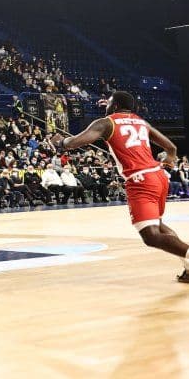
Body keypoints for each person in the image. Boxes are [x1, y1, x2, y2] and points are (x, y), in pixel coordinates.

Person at [50, 91, 189, 282]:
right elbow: (171, 149)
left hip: (140, 180)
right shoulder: (141, 122)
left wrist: (60, 143)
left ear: (114, 106)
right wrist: (168, 160)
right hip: (158, 176)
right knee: (157, 226)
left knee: (151, 235)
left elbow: (75, 142)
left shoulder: (106, 122)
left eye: (107, 103)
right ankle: (188, 267)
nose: (105, 106)